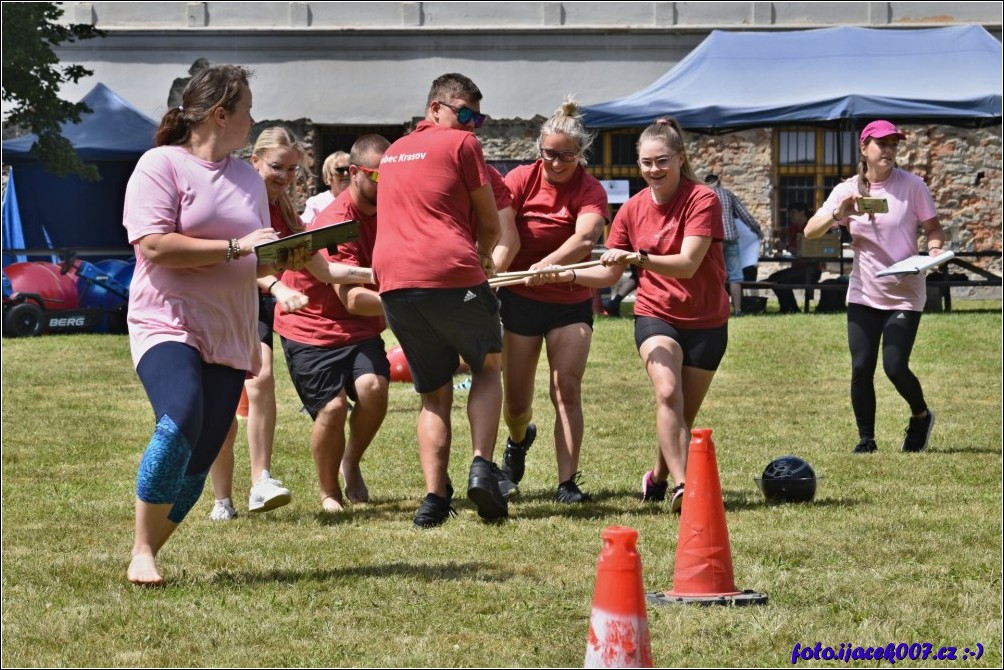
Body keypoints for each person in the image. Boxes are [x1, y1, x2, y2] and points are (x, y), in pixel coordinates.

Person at [124, 64, 284, 584]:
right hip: (166, 320)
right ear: (220, 114)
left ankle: (151, 550)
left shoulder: (247, 179)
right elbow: (154, 245)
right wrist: (238, 247)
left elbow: (255, 259)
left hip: (231, 331)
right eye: (247, 110)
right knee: (181, 419)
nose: (253, 119)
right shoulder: (159, 165)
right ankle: (141, 551)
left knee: (201, 455)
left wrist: (283, 260)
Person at [528, 117, 728, 513]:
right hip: (656, 315)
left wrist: (639, 257)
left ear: (680, 158)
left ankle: (656, 477)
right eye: (646, 163)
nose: (653, 170)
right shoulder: (633, 209)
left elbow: (688, 263)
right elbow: (608, 271)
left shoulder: (703, 199)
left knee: (681, 412)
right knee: (668, 393)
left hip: (707, 320)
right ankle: (685, 489)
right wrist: (566, 272)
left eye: (661, 161)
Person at [207, 126, 375, 521]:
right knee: (224, 403)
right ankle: (221, 499)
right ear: (256, 161)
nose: (284, 177)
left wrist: (379, 272)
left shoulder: (284, 207)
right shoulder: (235, 201)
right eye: (277, 168)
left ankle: (261, 479)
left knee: (262, 380)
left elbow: (328, 269)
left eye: (292, 171)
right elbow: (243, 263)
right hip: (228, 301)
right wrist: (281, 290)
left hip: (263, 303)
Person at [372, 72, 506, 528]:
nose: (472, 125)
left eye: (478, 117)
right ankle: (482, 468)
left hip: (393, 282)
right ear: (435, 109)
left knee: (432, 393)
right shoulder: (462, 146)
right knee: (487, 364)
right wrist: (484, 257)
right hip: (450, 273)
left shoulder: (391, 153)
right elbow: (491, 224)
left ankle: (433, 499)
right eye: (464, 113)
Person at [803, 119, 944, 454]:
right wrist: (840, 213)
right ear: (864, 148)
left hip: (905, 292)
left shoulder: (912, 186)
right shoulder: (846, 190)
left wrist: (935, 250)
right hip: (864, 292)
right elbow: (810, 231)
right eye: (883, 144)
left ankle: (921, 415)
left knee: (894, 366)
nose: (890, 150)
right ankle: (866, 439)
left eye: (894, 144)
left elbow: (934, 229)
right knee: (861, 367)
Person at [496, 96, 608, 502]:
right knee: (517, 402)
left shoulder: (590, 189)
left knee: (567, 388)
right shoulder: (521, 180)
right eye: (549, 154)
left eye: (566, 156)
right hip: (519, 301)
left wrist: (547, 265)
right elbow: (500, 231)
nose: (557, 163)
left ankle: (567, 482)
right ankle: (517, 440)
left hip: (569, 301)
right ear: (538, 151)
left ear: (580, 154)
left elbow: (584, 237)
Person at [273, 134, 391, 512]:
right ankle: (328, 492)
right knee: (334, 409)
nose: (386, 185)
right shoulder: (337, 222)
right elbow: (352, 298)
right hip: (311, 324)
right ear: (354, 173)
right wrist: (409, 310)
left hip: (358, 327)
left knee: (374, 389)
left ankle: (350, 462)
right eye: (376, 176)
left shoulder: (393, 209)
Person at [704, 173, 762, 316]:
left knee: (713, 276)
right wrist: (757, 230)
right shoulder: (727, 194)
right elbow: (745, 215)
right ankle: (738, 310)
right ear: (719, 182)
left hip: (711, 241)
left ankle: (715, 310)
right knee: (735, 276)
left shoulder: (702, 195)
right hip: (730, 238)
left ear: (705, 183)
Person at [764, 203, 822, 314]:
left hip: (810, 269)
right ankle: (789, 308)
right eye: (789, 213)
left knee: (778, 280)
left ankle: (790, 309)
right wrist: (778, 237)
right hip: (798, 268)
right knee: (773, 278)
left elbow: (803, 251)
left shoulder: (810, 228)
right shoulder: (793, 228)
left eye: (793, 212)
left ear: (803, 213)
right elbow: (781, 232)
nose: (790, 215)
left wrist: (785, 247)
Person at [302, 151, 351, 224]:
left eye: (349, 169)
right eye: (340, 170)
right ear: (328, 177)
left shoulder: (363, 200)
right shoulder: (316, 203)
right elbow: (306, 230)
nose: (346, 173)